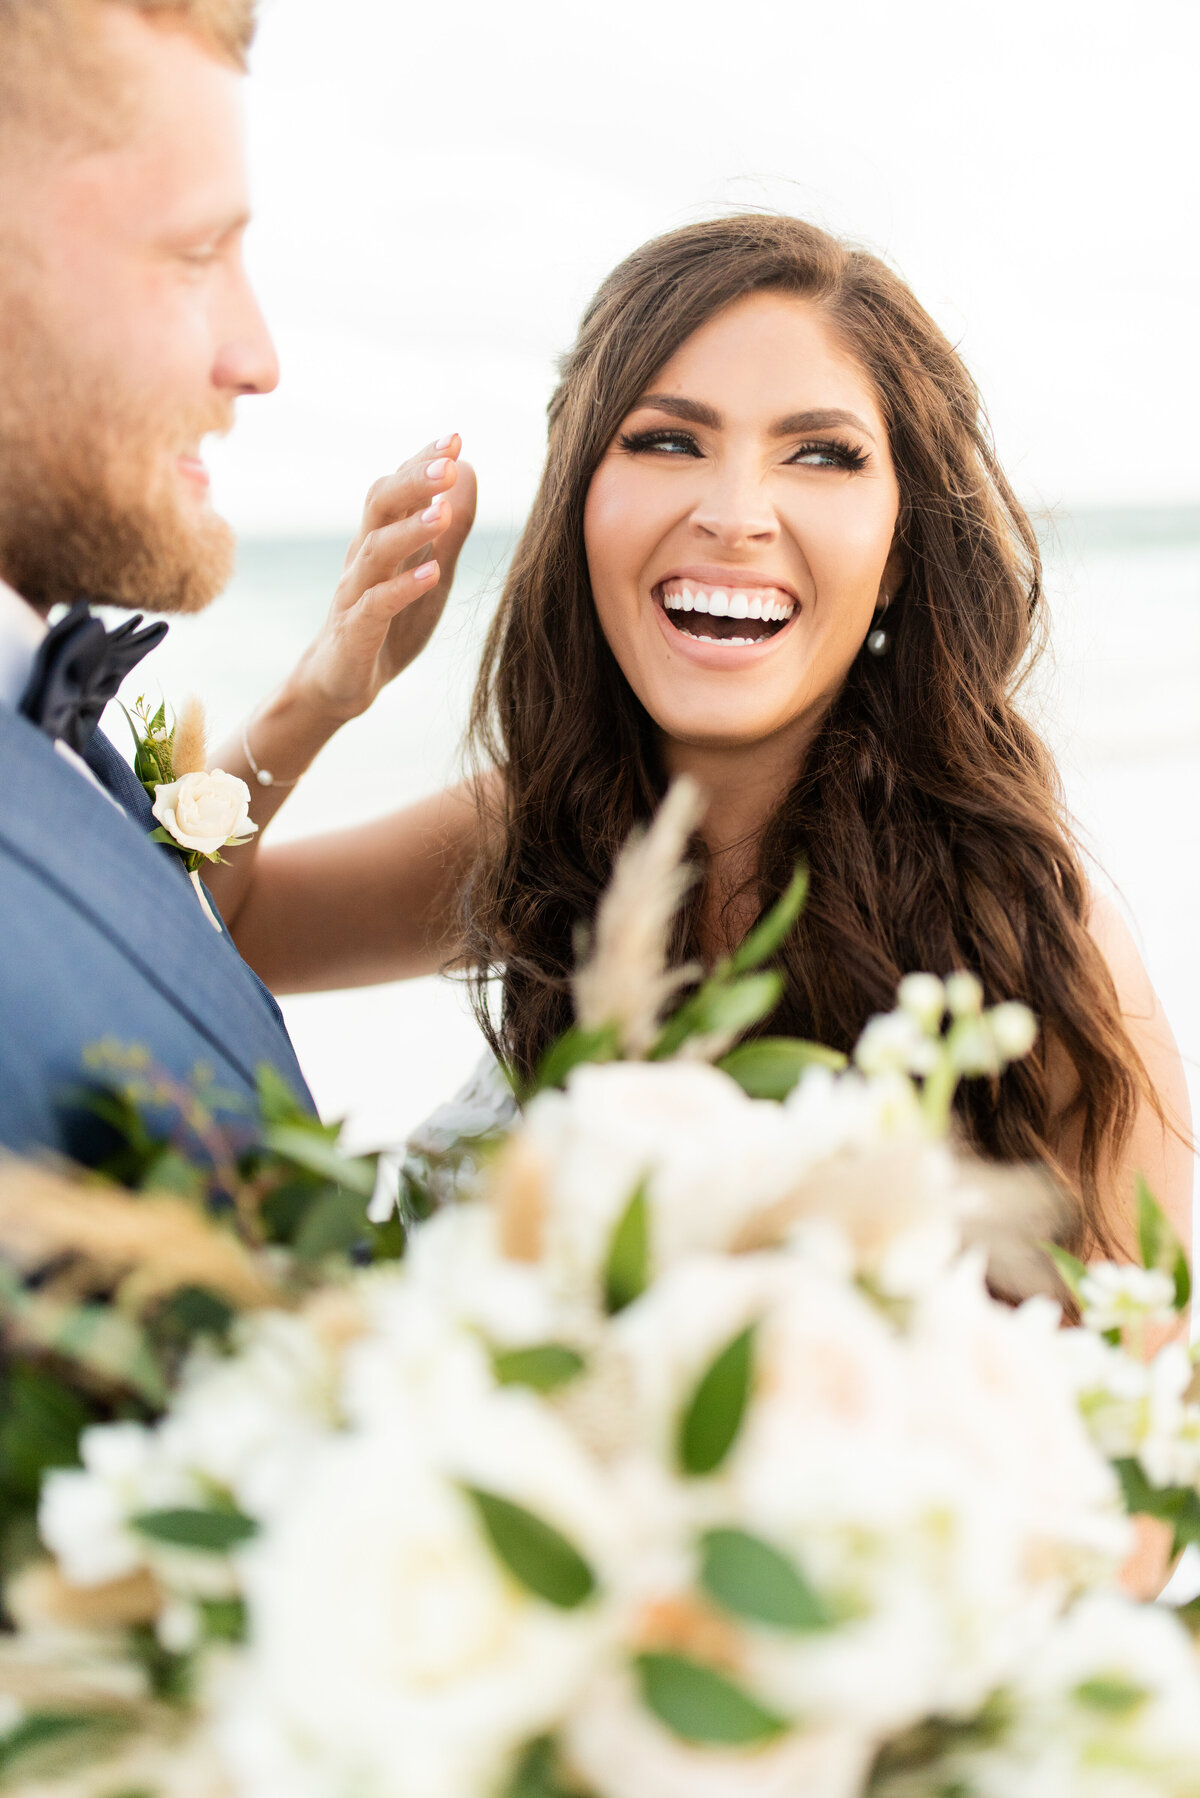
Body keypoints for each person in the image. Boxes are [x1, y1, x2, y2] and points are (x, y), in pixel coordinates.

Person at [202, 214, 1192, 1278]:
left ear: (902, 551)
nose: (736, 513)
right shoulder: (539, 832)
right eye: (668, 440)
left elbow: (1155, 1380)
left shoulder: (1021, 931)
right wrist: (316, 701)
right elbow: (219, 925)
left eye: (822, 454)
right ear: (582, 499)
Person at [0, 0, 473, 1158]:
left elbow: (161, 929)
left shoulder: (46, 723)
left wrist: (316, 699)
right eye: (195, 255)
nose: (257, 359)